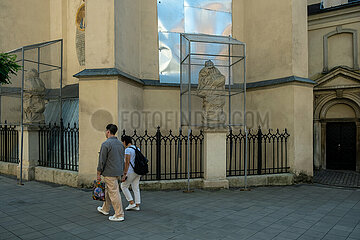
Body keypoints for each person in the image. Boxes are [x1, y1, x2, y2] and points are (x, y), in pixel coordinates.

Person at [96, 124, 125, 221]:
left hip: (109, 172)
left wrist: (98, 173)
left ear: (108, 131)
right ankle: (105, 209)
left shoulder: (106, 144)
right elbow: (122, 159)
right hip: (118, 171)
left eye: (105, 131)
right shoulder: (120, 144)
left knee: (114, 193)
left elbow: (102, 160)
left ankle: (119, 214)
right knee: (109, 191)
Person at [120, 135, 141, 211]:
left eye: (122, 142)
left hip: (131, 171)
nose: (122, 143)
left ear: (125, 141)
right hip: (138, 171)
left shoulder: (128, 150)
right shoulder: (137, 148)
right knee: (136, 187)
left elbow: (127, 163)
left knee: (123, 186)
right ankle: (137, 205)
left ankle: (131, 203)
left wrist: (124, 174)